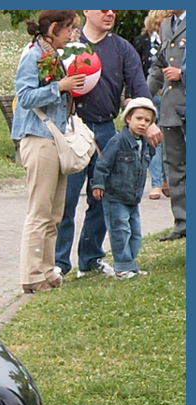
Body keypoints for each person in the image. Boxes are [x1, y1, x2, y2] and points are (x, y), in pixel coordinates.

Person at [53, 10, 161, 279]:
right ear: (86, 11)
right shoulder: (67, 45)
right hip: (72, 128)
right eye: (102, 8)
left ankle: (90, 260)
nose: (109, 12)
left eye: (113, 8)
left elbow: (138, 86)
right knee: (66, 199)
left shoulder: (122, 47)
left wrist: (150, 120)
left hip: (104, 129)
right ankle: (60, 264)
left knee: (101, 197)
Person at [11, 11, 89, 293]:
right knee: (39, 211)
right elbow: (25, 95)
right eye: (69, 30)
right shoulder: (33, 55)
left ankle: (47, 270)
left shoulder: (55, 56)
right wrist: (60, 86)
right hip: (38, 137)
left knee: (55, 212)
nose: (71, 36)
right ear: (53, 28)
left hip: (56, 138)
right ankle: (31, 275)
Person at [91, 97, 157, 278]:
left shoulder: (144, 144)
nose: (143, 124)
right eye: (139, 119)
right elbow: (102, 164)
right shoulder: (118, 141)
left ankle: (130, 264)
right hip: (115, 196)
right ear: (128, 119)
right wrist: (98, 184)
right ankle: (122, 267)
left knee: (135, 233)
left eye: (147, 121)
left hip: (132, 197)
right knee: (120, 231)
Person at [148, 10, 186, 240]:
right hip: (171, 108)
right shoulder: (165, 26)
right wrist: (143, 95)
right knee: (175, 167)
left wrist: (182, 73)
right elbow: (159, 64)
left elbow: (176, 68)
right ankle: (182, 224)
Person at [133, 10, 172, 199]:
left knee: (170, 139)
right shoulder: (141, 42)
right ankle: (156, 182)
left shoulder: (174, 39)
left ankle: (167, 180)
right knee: (154, 139)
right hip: (149, 94)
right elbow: (135, 70)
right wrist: (135, 96)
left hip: (169, 96)